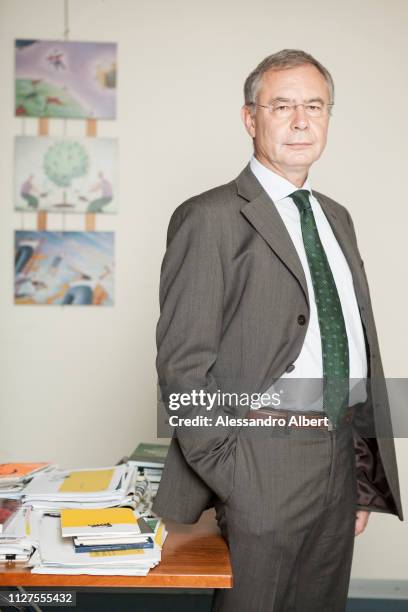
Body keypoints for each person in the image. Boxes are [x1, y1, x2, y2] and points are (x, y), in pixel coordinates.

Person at [152, 49, 403, 611]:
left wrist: (360, 470)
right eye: (282, 105)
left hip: (339, 458)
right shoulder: (209, 217)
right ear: (250, 118)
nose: (300, 121)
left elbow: (350, 345)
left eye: (314, 105)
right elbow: (182, 365)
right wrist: (232, 470)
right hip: (258, 459)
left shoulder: (336, 216)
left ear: (328, 117)